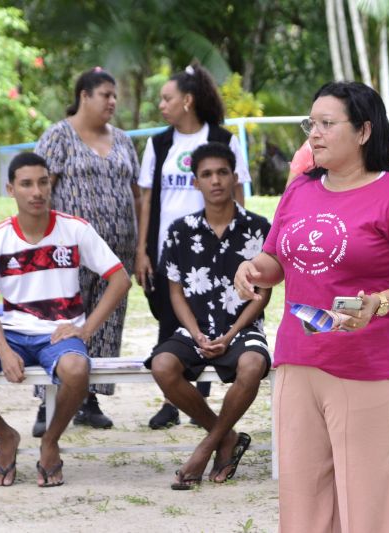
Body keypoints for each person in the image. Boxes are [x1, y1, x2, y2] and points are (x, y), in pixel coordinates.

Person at [235, 81, 389, 532]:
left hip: (369, 366)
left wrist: (383, 303)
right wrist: (254, 268)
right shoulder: (299, 191)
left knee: (370, 504)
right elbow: (277, 260)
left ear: (364, 131)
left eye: (328, 124)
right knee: (303, 499)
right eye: (312, 124)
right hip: (298, 360)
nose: (315, 133)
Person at [0, 152, 131, 487]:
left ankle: (51, 440)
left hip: (58, 334)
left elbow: (120, 279)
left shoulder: (75, 230)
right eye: (26, 184)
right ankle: (6, 437)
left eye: (43, 182)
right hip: (12, 333)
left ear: (51, 184)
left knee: (76, 370)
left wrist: (85, 329)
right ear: (10, 189)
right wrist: (2, 350)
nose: (37, 191)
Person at [145, 142, 271, 488]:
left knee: (251, 365)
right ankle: (225, 437)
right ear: (195, 183)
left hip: (242, 329)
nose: (215, 180)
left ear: (234, 177)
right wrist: (197, 333)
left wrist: (230, 336)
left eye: (222, 173)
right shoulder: (179, 231)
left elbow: (263, 294)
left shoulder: (259, 228)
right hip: (194, 329)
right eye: (206, 174)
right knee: (162, 365)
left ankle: (206, 446)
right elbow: (175, 292)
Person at [136, 63, 252, 429]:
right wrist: (142, 249)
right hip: (171, 250)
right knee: (171, 321)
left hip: (217, 248)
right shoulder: (159, 144)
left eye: (166, 98)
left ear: (187, 101)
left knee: (218, 314)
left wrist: (242, 247)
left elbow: (239, 193)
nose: (161, 105)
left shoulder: (221, 138)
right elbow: (146, 198)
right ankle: (175, 399)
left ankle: (197, 393)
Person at [33, 67, 140, 435]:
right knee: (61, 319)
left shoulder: (124, 140)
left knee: (105, 324)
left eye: (114, 96)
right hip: (67, 252)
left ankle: (88, 399)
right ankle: (48, 401)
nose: (112, 101)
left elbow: (137, 195)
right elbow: (41, 190)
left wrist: (140, 247)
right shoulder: (58, 137)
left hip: (117, 251)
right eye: (105, 95)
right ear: (84, 96)